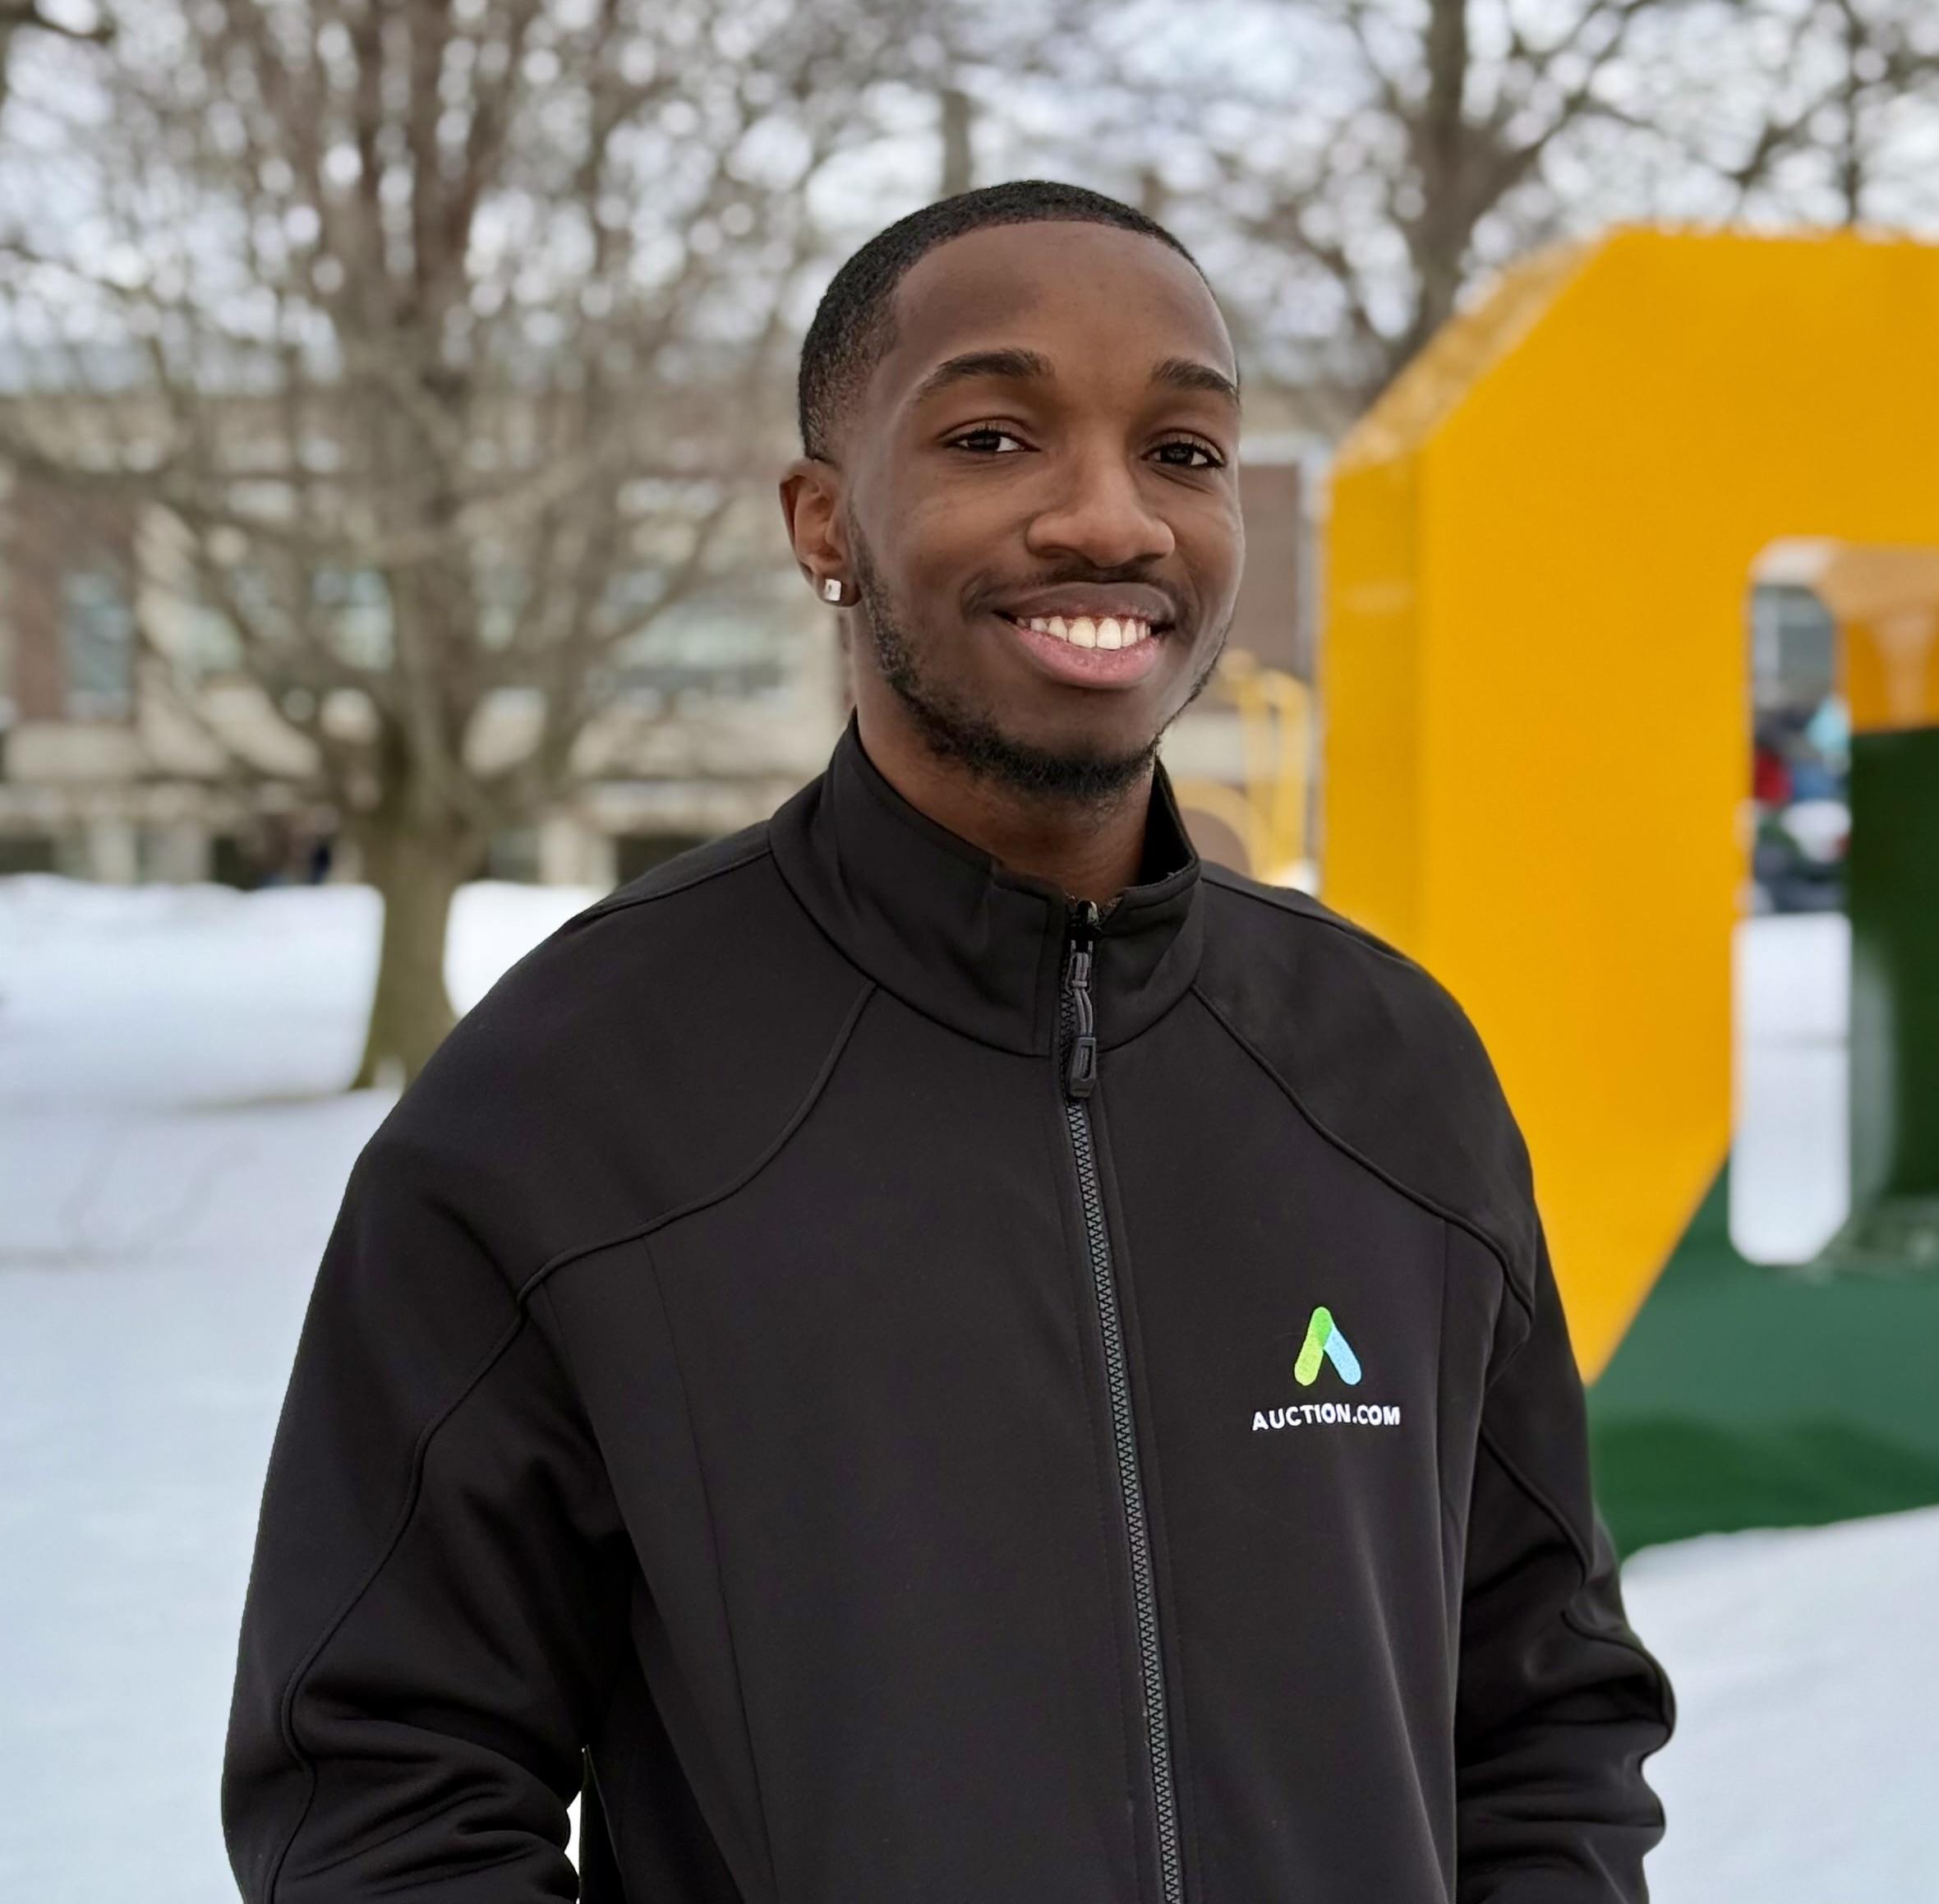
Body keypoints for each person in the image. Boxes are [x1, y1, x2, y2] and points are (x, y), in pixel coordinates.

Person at [223, 180, 1673, 1903]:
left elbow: (1543, 1708)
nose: (1105, 518)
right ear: (823, 521)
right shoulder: (564, 1104)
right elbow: (381, 1789)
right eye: (993, 436)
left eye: (1184, 451)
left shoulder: (1389, 1071)